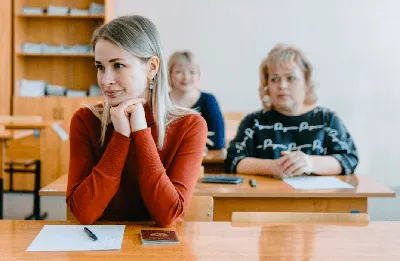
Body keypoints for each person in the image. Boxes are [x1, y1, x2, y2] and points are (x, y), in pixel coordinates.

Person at [66, 15, 207, 227]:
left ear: (151, 67)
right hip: (99, 249)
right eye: (100, 67)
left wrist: (140, 132)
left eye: (118, 66)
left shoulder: (190, 126)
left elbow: (167, 215)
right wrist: (121, 138)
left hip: (160, 252)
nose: (106, 80)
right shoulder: (85, 120)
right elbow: (84, 212)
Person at [226, 44, 358, 177]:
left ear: (307, 83)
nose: (282, 86)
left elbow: (349, 159)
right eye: (274, 79)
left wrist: (309, 163)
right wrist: (272, 167)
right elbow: (233, 160)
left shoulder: (327, 120)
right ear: (267, 85)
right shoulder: (254, 122)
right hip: (270, 196)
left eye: (290, 78)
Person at [168, 51, 225, 149]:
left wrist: (175, 139)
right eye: (179, 72)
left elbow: (218, 141)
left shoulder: (209, 100)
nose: (186, 77)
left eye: (192, 72)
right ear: (170, 74)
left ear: (199, 75)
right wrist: (197, 138)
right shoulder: (160, 100)